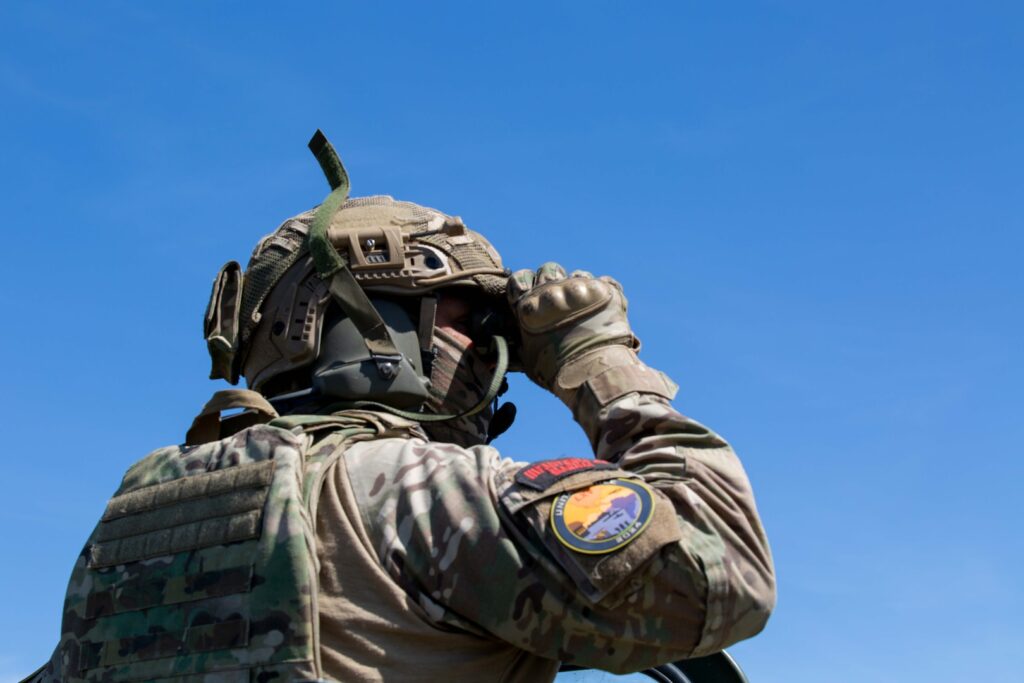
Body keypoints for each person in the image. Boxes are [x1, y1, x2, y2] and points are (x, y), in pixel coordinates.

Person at [27, 133, 774, 683]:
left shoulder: (138, 511)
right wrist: (597, 358)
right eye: (473, 324)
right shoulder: (414, 493)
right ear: (365, 326)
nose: (496, 358)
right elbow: (724, 575)